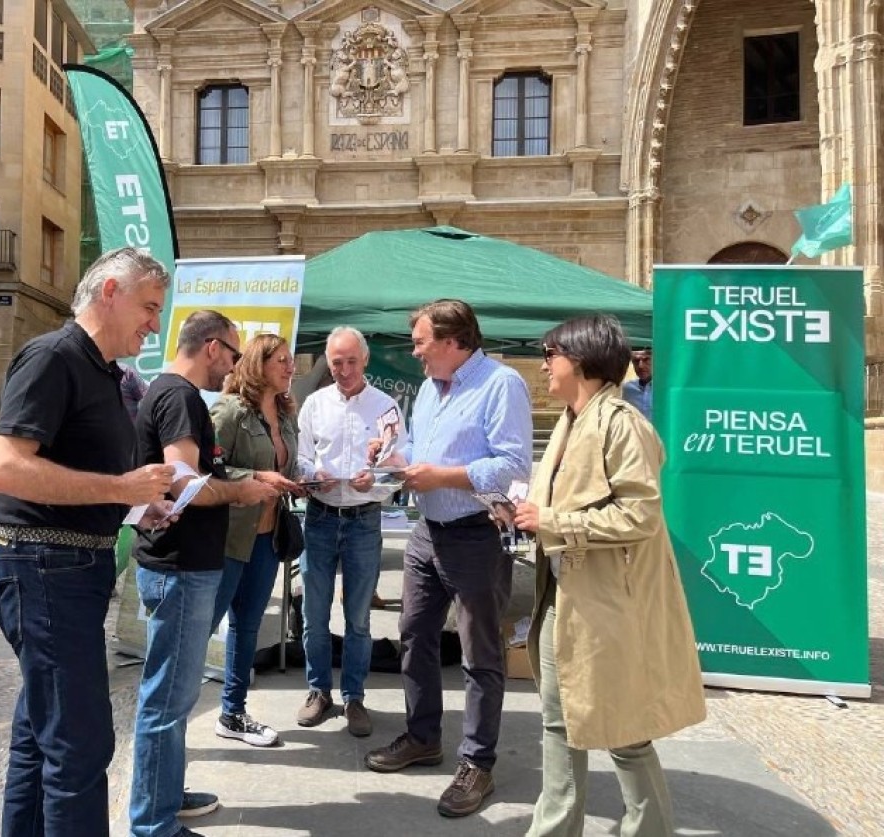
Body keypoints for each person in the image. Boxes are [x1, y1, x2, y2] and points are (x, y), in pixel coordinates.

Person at [0, 247, 177, 837]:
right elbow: (4, 469)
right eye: (148, 307)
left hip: (67, 569)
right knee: (80, 742)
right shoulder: (53, 357)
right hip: (45, 569)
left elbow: (76, 475)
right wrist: (121, 486)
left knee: (43, 737)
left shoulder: (101, 371)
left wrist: (129, 506)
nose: (153, 323)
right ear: (110, 292)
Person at [506, 315, 705, 836]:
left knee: (624, 730)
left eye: (552, 354)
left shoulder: (623, 424)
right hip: (560, 596)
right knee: (558, 725)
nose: (545, 363)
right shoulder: (571, 421)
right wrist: (523, 512)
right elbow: (560, 502)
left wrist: (552, 521)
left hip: (608, 603)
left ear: (582, 359)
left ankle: (651, 829)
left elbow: (640, 516)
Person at [364, 299, 532, 819]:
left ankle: (477, 762)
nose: (414, 352)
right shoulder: (432, 392)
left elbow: (511, 465)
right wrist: (393, 458)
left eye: (420, 342)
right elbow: (418, 453)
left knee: (481, 654)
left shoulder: (502, 384)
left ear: (453, 341)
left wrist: (443, 477)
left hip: (476, 535)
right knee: (414, 634)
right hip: (426, 532)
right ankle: (422, 737)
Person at [129, 311, 278, 837]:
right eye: (234, 355)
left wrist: (244, 479)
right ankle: (153, 823)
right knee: (167, 701)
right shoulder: (180, 397)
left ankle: (166, 794)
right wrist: (242, 491)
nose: (235, 366)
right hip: (180, 566)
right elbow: (182, 483)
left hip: (178, 564)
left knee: (174, 695)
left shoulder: (172, 395)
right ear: (212, 347)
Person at [295, 326, 407, 737]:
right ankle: (317, 691)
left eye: (351, 362)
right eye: (336, 362)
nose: (343, 370)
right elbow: (301, 456)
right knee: (314, 614)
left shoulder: (385, 407)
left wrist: (374, 481)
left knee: (359, 618)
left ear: (365, 360)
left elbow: (398, 465)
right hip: (321, 517)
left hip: (363, 520)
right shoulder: (314, 405)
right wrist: (313, 473)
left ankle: (354, 696)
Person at [209, 333, 304, 748]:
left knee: (246, 629)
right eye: (281, 360)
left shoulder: (285, 414)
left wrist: (299, 482)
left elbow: (287, 465)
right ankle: (172, 718)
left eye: (290, 361)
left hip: (267, 538)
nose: (290, 367)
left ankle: (233, 712)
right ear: (257, 364)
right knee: (203, 628)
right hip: (227, 538)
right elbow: (204, 471)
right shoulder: (230, 411)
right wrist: (257, 478)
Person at [621, 346, 653, 421]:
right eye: (636, 361)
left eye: (646, 360)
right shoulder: (626, 390)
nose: (640, 366)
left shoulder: (665, 390)